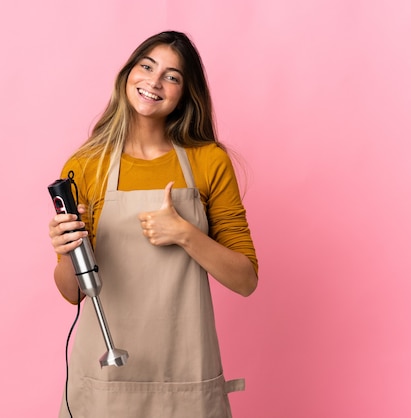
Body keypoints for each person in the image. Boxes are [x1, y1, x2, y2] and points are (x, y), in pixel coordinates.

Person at [48, 30, 258, 418]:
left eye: (172, 76)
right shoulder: (87, 165)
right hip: (105, 374)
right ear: (128, 73)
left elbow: (245, 280)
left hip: (185, 373)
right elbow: (73, 294)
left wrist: (184, 233)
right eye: (147, 66)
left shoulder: (208, 162)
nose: (155, 81)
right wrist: (66, 252)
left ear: (184, 93)